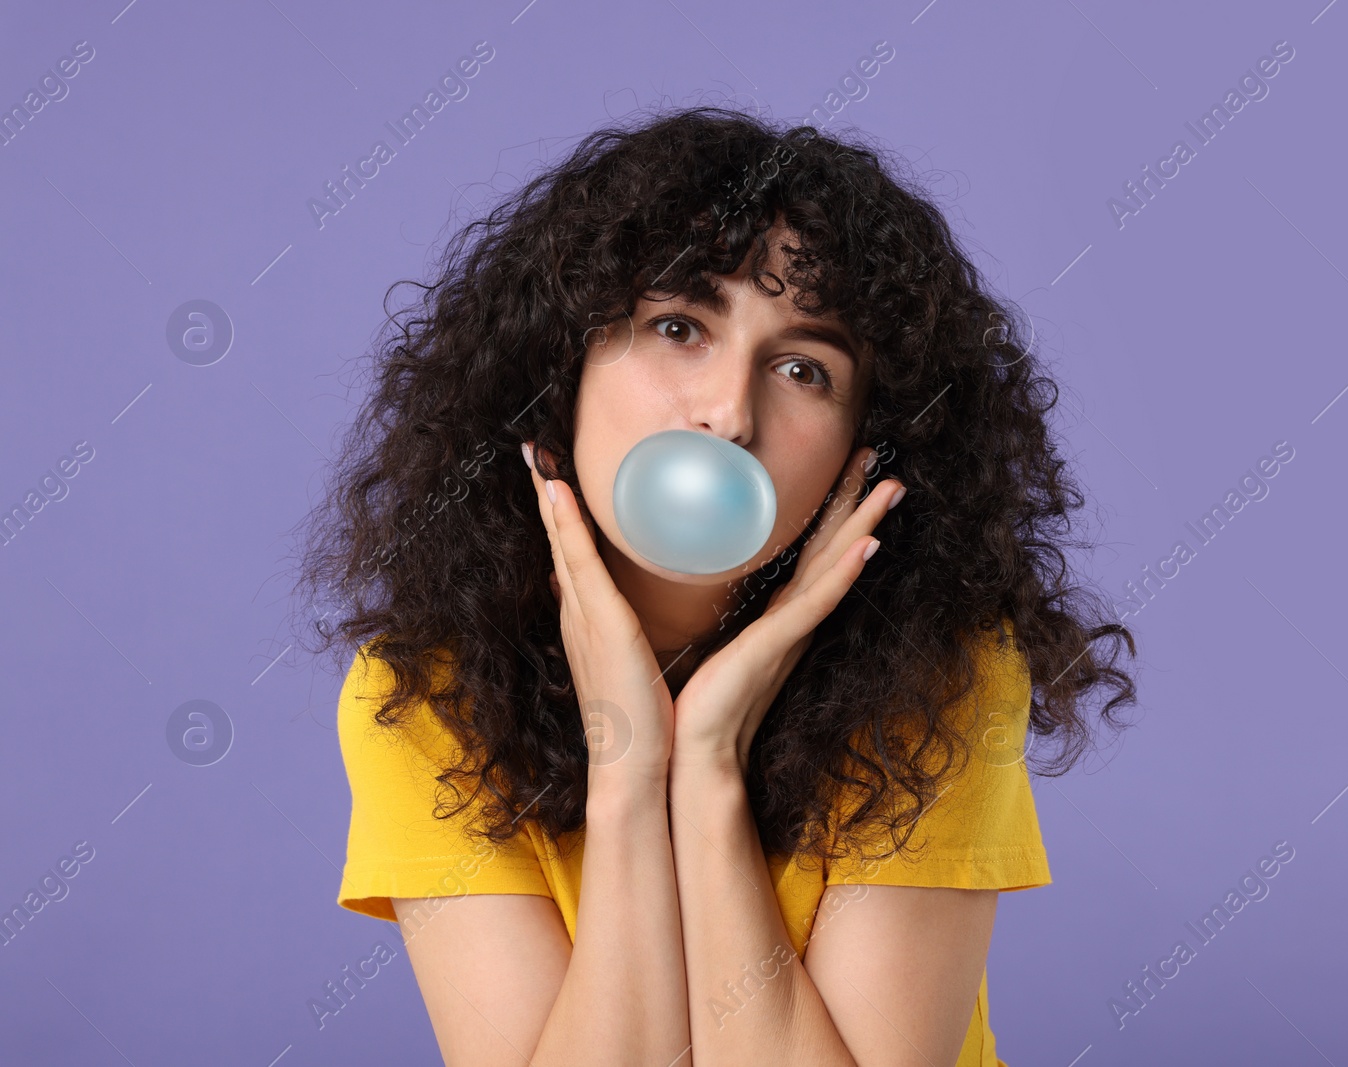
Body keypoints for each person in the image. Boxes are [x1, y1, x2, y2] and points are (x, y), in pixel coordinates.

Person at [295, 105, 1137, 1067]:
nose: (729, 414)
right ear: (559, 366)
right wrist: (627, 775)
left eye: (801, 367)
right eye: (678, 325)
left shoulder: (943, 681)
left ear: (868, 446)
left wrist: (707, 774)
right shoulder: (423, 696)